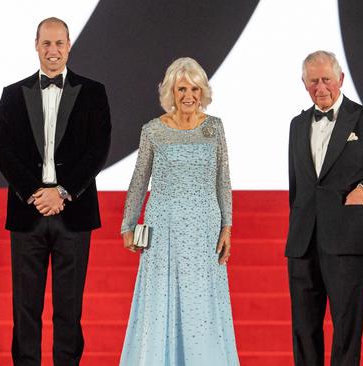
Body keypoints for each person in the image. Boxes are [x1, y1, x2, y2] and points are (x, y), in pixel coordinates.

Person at [0, 17, 111, 366]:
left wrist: (61, 192)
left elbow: (98, 150)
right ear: (36, 45)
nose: (53, 50)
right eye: (46, 43)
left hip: (73, 212)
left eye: (59, 43)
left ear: (69, 45)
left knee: (69, 309)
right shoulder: (13, 95)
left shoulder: (93, 92)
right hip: (27, 213)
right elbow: (4, 150)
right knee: (25, 309)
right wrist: (35, 191)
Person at [286, 50, 363, 365]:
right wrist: (297, 228)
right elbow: (298, 186)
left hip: (348, 241)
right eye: (313, 81)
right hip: (303, 243)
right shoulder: (297, 124)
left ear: (340, 79)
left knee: (347, 329)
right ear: (304, 83)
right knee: (303, 330)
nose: (320, 87)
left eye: (326, 79)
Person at [119, 57, 239, 365]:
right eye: (181, 88)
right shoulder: (153, 131)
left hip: (204, 231)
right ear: (170, 92)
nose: (188, 96)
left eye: (194, 88)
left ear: (203, 91)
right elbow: (138, 180)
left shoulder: (214, 127)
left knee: (202, 307)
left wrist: (227, 228)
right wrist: (127, 226)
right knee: (162, 301)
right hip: (163, 230)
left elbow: (222, 179)